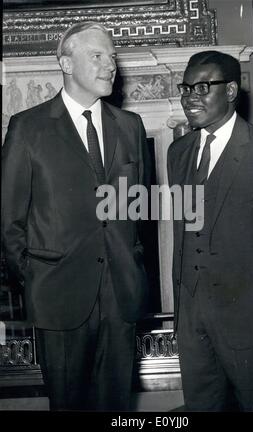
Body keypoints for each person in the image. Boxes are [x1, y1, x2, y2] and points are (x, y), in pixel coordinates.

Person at [1, 21, 151, 411]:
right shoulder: (27, 128)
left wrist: (132, 263)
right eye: (97, 56)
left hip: (121, 294)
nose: (110, 66)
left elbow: (138, 211)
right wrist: (37, 275)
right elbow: (9, 221)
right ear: (66, 64)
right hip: (59, 297)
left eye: (112, 57)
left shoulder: (130, 126)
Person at [167, 50, 253, 412]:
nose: (190, 96)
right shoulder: (177, 153)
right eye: (186, 87)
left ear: (230, 92)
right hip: (192, 319)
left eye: (203, 86)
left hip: (247, 317)